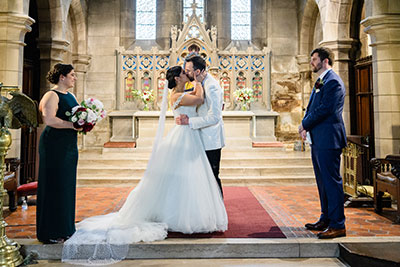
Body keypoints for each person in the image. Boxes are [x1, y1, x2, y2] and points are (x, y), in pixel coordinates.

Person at [62, 66, 227, 264]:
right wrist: (200, 81)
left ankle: (191, 214)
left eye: (188, 72)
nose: (188, 75)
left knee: (191, 177)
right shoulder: (176, 96)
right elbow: (199, 99)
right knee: (184, 176)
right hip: (184, 136)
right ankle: (179, 217)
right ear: (177, 78)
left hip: (190, 136)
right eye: (184, 73)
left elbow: (198, 99)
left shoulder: (182, 92)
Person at [298, 47, 347, 239]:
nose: (312, 62)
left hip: (329, 139)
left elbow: (326, 109)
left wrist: (304, 124)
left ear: (325, 61)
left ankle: (338, 224)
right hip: (320, 138)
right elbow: (313, 107)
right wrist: (306, 126)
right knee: (322, 182)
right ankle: (326, 218)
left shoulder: (333, 82)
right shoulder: (322, 80)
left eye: (314, 59)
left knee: (332, 182)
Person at [36, 63, 81, 244]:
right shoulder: (51, 95)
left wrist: (86, 123)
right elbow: (49, 119)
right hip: (54, 144)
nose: (74, 78)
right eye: (71, 75)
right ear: (61, 77)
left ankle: (66, 228)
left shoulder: (70, 95)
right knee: (54, 184)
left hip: (69, 145)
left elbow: (77, 116)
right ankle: (51, 231)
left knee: (66, 185)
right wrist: (73, 125)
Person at [177, 56, 225, 197]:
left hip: (211, 139)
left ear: (197, 71)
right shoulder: (201, 82)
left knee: (212, 176)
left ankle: (219, 210)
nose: (186, 74)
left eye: (188, 71)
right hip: (201, 137)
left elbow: (214, 117)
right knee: (203, 177)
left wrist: (190, 122)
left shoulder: (211, 86)